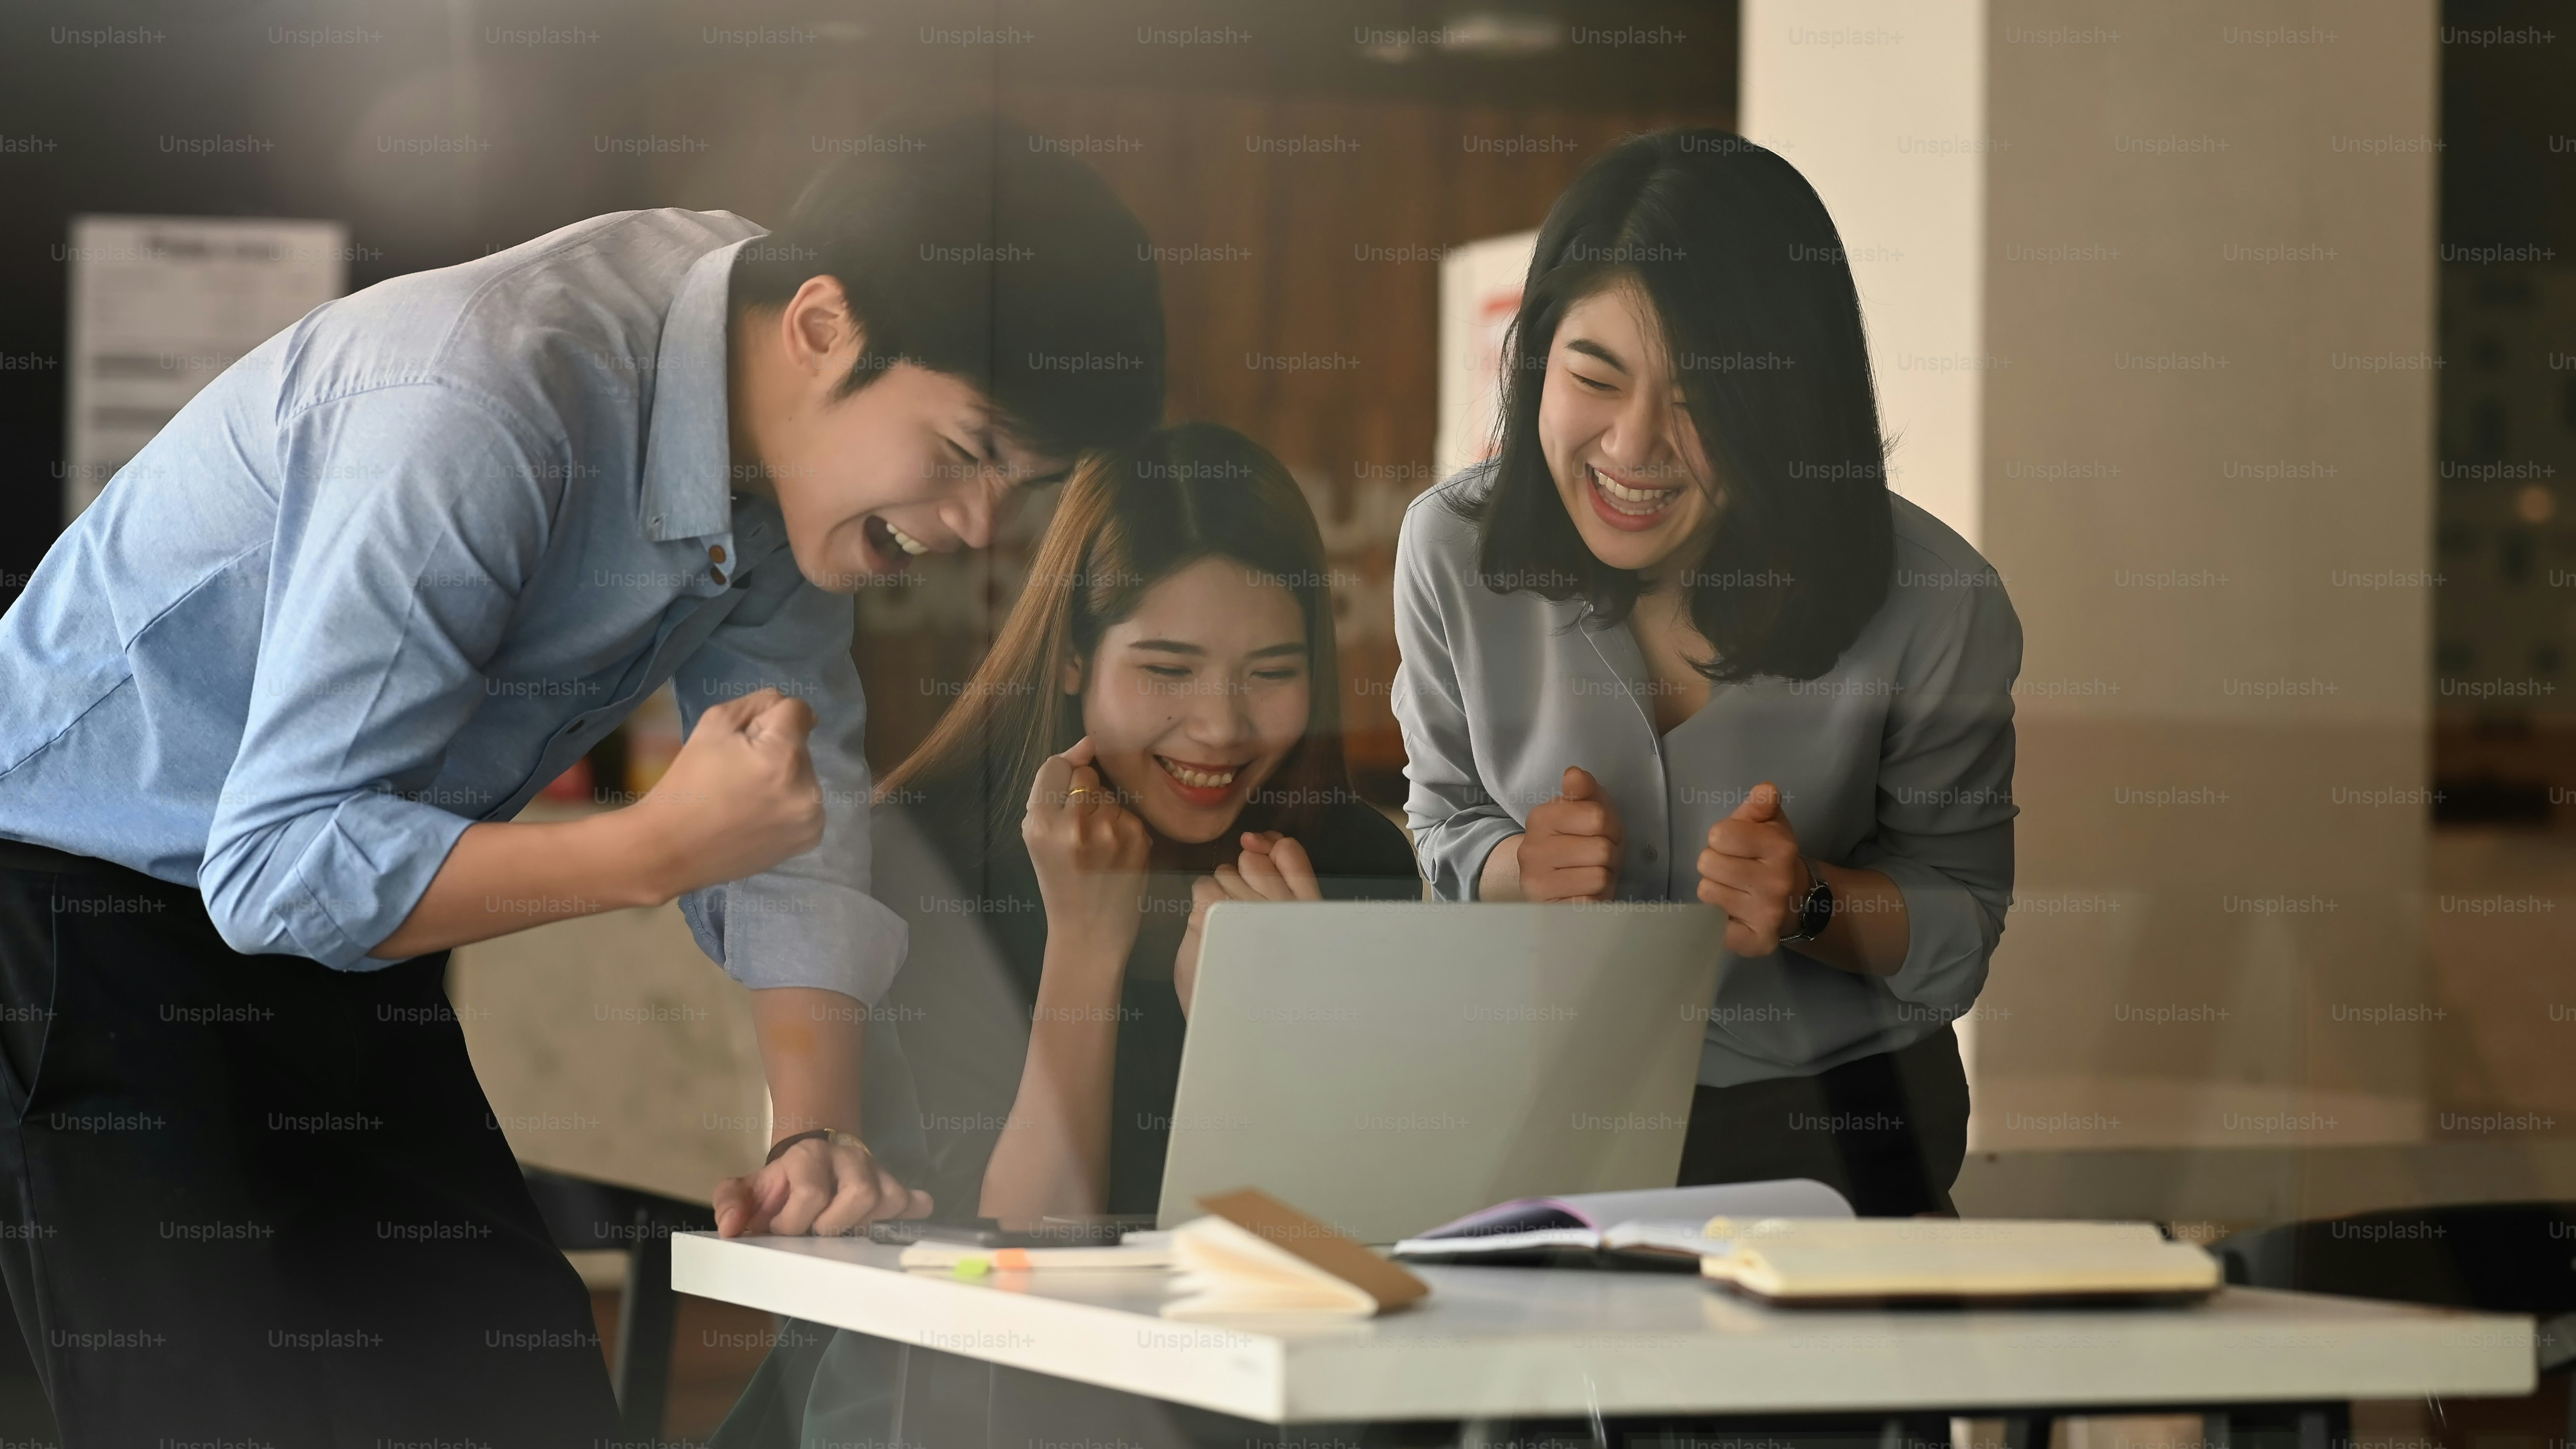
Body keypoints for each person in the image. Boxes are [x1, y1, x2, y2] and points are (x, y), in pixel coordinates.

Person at [0, 117, 1163, 1444]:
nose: (977, 531)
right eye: (963, 457)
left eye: (1024, 486)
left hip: (351, 902)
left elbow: (797, 804)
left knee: (521, 1390)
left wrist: (813, 1138)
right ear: (825, 328)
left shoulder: (777, 428)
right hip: (76, 903)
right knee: (228, 1408)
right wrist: (650, 852)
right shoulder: (481, 408)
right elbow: (271, 869)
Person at [710, 420, 1419, 1446]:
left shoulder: (1350, 859)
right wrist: (1085, 945)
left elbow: (1372, 1254)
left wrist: (1269, 1034)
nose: (1221, 727)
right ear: (1077, 658)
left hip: (1244, 1387)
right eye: (1168, 671)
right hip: (959, 1398)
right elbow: (1018, 1272)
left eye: (1271, 672)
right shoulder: (930, 863)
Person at [1393, 129, 2022, 1217]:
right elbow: (1444, 823)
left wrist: (1816, 901)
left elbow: (1961, 918)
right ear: (1539, 359)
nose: (1634, 447)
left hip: (1838, 1128)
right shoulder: (1452, 550)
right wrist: (1518, 871)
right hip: (1552, 1108)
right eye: (1596, 377)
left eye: (1701, 402)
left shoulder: (1935, 604)